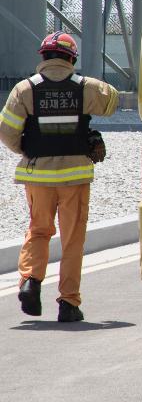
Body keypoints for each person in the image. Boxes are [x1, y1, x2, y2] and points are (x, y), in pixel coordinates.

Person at [1, 33, 118, 322]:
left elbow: (6, 131)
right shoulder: (85, 87)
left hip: (38, 176)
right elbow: (112, 100)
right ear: (71, 59)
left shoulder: (23, 90)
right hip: (75, 179)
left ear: (42, 58)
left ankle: (30, 280)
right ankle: (68, 303)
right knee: (72, 240)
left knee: (39, 230)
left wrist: (27, 149)